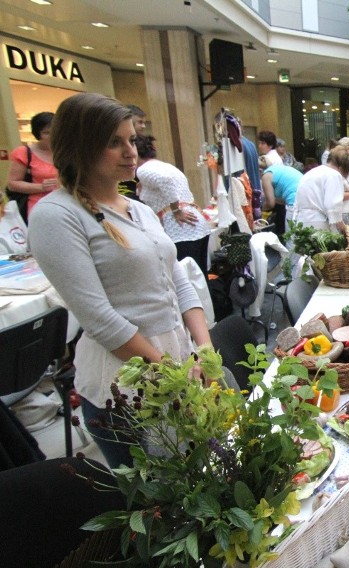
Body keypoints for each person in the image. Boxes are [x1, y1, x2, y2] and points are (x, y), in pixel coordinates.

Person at [28, 93, 212, 469]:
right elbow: (100, 319)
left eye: (131, 139)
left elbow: (178, 281)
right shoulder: (57, 215)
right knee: (157, 499)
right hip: (123, 383)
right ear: (79, 147)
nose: (130, 151)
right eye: (114, 142)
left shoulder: (141, 210)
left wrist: (205, 347)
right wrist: (173, 374)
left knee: (197, 477)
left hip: (175, 367)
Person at [134, 134, 212, 277]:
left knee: (187, 278)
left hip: (180, 227)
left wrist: (176, 210)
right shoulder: (165, 166)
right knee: (200, 277)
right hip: (195, 224)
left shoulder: (143, 169)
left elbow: (166, 180)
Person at [6, 111, 59, 221]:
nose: (52, 136)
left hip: (63, 203)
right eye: (47, 133)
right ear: (38, 134)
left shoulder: (63, 152)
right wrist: (41, 187)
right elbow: (12, 184)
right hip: (37, 206)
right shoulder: (25, 152)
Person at [293, 145, 349, 233]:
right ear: (341, 168)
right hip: (319, 224)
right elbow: (333, 206)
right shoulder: (334, 175)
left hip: (301, 220)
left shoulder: (311, 172)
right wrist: (344, 229)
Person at [261, 160, 303, 235]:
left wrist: (260, 209)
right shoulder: (277, 170)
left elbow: (270, 203)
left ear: (260, 170)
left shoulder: (266, 176)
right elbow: (280, 200)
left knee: (291, 236)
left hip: (293, 200)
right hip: (305, 196)